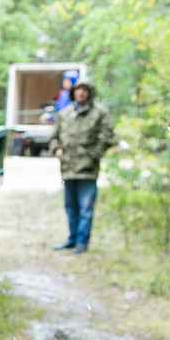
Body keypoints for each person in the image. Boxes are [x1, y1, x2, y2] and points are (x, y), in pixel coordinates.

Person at [47, 75, 114, 255]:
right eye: (78, 89)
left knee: (86, 208)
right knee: (70, 206)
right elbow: (53, 137)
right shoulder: (65, 113)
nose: (81, 93)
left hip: (87, 170)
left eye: (85, 90)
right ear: (73, 92)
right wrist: (58, 151)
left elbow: (107, 139)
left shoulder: (100, 113)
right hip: (67, 168)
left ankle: (82, 242)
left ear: (90, 93)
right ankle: (72, 238)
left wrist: (92, 157)